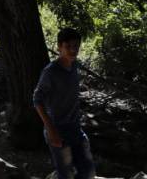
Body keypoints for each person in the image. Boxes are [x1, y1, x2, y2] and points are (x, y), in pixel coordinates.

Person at [33, 27, 95, 179]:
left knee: (88, 171)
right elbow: (37, 99)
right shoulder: (50, 72)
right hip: (57, 129)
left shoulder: (74, 65)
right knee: (66, 174)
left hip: (75, 127)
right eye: (68, 47)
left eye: (76, 46)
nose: (73, 50)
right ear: (59, 47)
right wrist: (51, 130)